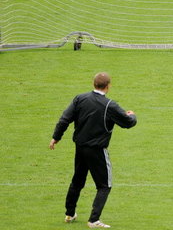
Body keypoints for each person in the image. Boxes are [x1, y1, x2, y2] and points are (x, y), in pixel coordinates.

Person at [49, 72, 137, 229]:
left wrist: (56, 137)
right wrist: (132, 115)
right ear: (108, 86)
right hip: (97, 150)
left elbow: (65, 119)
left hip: (80, 148)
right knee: (104, 186)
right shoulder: (110, 105)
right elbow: (127, 123)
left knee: (77, 180)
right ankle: (94, 220)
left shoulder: (80, 99)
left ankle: (69, 214)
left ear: (93, 84)